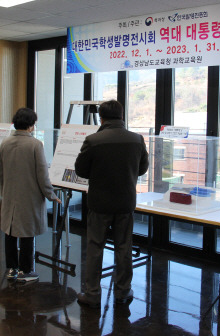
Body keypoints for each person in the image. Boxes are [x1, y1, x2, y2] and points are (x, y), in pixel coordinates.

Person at [74, 100, 149, 308]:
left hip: (99, 203)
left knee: (95, 247)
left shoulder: (93, 140)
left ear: (101, 117)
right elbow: (142, 169)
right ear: (122, 115)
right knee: (123, 247)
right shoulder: (137, 139)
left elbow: (80, 170)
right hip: (125, 202)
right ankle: (123, 292)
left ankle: (92, 293)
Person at [0, 107, 61, 282]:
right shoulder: (35, 145)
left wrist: (5, 192)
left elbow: (0, 172)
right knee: (27, 232)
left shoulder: (5, 143)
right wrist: (51, 195)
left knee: (10, 231)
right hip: (29, 196)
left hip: (10, 194)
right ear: (31, 125)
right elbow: (42, 175)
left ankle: (11, 268)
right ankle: (25, 271)